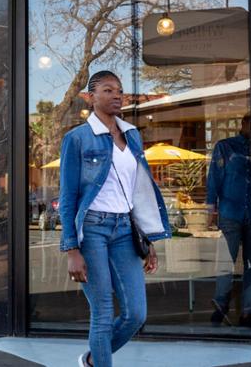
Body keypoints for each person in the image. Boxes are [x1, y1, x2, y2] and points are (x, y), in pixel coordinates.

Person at [59, 70, 172, 367]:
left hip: (125, 229)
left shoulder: (132, 135)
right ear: (91, 97)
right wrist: (72, 249)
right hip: (92, 230)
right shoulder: (77, 138)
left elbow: (138, 191)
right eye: (108, 90)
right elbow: (68, 197)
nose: (116, 96)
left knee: (136, 314)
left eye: (119, 90)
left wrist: (148, 239)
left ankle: (93, 360)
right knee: (103, 313)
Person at [206, 114, 251, 328]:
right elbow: (214, 177)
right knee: (226, 261)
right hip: (230, 212)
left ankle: (249, 311)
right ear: (243, 124)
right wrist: (211, 208)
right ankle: (221, 304)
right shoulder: (226, 147)